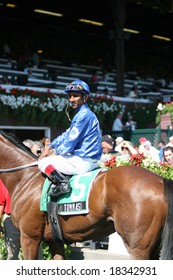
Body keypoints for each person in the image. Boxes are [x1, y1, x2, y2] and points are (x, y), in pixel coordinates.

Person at [38, 79, 102, 197]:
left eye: (75, 96)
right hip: (86, 159)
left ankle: (61, 184)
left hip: (83, 160)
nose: (71, 99)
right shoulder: (82, 114)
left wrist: (55, 152)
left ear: (85, 97)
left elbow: (70, 143)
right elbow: (67, 134)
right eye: (70, 96)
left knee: (43, 162)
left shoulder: (83, 115)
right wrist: (51, 145)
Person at [0, 179, 20, 260]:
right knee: (12, 255)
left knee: (34, 254)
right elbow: (1, 203)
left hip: (30, 219)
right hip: (10, 218)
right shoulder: (3, 180)